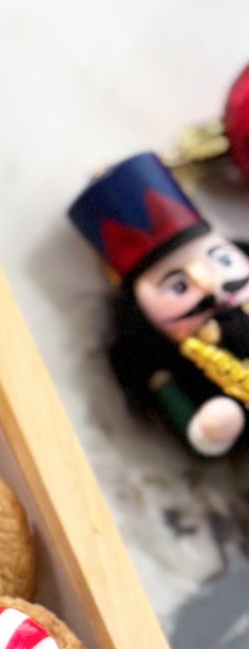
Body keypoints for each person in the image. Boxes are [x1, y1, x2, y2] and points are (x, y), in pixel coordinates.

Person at [70, 150, 249, 458]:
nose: (208, 284)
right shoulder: (163, 366)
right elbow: (187, 420)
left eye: (220, 259)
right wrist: (213, 428)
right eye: (179, 286)